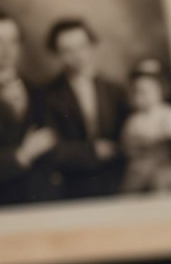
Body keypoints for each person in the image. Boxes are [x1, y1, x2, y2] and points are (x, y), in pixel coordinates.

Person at [0, 9, 58, 208]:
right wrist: (22, 155)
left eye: (13, 41)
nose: (7, 49)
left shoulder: (36, 89)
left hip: (44, 203)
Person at [42, 18, 129, 200]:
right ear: (56, 53)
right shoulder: (47, 95)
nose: (77, 55)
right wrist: (91, 152)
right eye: (67, 50)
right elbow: (50, 148)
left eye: (82, 46)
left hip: (118, 180)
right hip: (72, 185)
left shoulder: (116, 90)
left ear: (92, 45)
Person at [119, 59, 171, 193]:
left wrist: (157, 143)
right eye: (137, 92)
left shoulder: (168, 113)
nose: (142, 97)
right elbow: (126, 145)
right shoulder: (133, 120)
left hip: (165, 164)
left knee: (164, 181)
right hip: (140, 165)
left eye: (147, 91)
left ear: (160, 91)